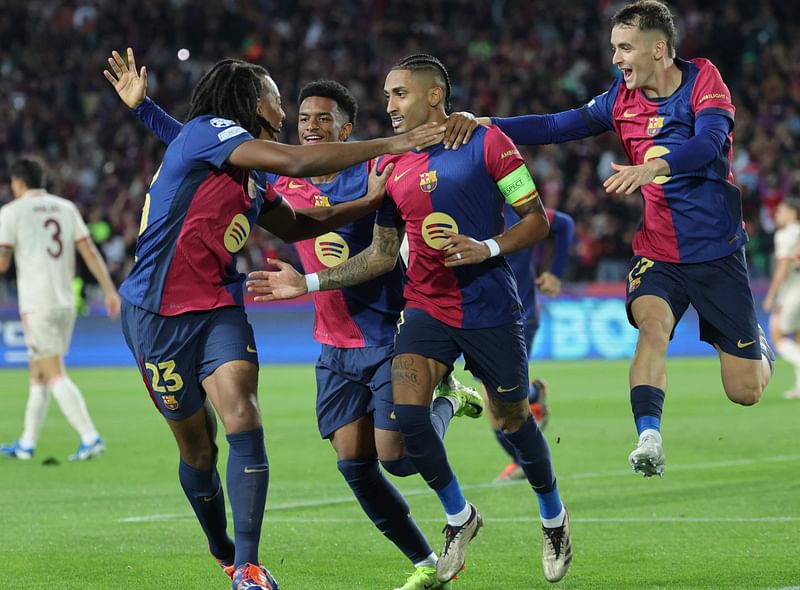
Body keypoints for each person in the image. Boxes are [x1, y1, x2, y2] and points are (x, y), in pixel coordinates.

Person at [122, 73, 483, 590]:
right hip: (176, 319)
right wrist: (144, 108)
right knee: (219, 453)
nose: (294, 117)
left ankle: (246, 568)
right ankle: (228, 547)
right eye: (281, 99)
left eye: (320, 118)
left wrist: (444, 136)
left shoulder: (340, 169)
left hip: (285, 319)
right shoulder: (243, 153)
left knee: (268, 424)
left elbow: (309, 220)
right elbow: (255, 159)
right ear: (252, 102)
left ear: (346, 127)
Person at [248, 54, 573, 585]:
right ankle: (458, 519)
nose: (391, 106)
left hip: (490, 307)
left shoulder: (487, 144)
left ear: (435, 95)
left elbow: (535, 220)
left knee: (514, 421)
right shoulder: (390, 166)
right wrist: (305, 284)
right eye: (387, 95)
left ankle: (554, 517)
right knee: (405, 422)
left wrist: (488, 246)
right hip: (424, 306)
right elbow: (380, 255)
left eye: (399, 94)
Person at [444, 0, 775, 479]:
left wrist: (654, 166)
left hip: (719, 252)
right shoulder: (619, 99)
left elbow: (707, 143)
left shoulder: (703, 80)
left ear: (658, 49)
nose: (616, 59)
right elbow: (557, 126)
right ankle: (649, 437)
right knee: (652, 326)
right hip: (658, 251)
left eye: (625, 48)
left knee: (745, 390)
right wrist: (488, 123)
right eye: (613, 48)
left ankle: (756, 345)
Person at [0, 157, 120, 462]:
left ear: (18, 182)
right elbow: (89, 251)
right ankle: (27, 443)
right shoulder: (65, 208)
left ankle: (90, 437)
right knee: (38, 372)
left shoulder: (11, 212)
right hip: (65, 302)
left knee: (53, 373)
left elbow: (2, 262)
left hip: (37, 303)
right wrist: (108, 290)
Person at [493, 207, 574, 482]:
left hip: (519, 316)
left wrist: (555, 272)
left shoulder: (516, 210)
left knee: (497, 399)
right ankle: (532, 396)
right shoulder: (462, 209)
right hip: (481, 321)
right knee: (495, 402)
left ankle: (527, 464)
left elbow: (564, 224)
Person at [764, 199, 800, 400]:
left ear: (792, 214)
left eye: (781, 211)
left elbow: (784, 266)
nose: (777, 214)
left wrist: (771, 295)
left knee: (777, 335)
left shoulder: (786, 234)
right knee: (798, 336)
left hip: (793, 290)